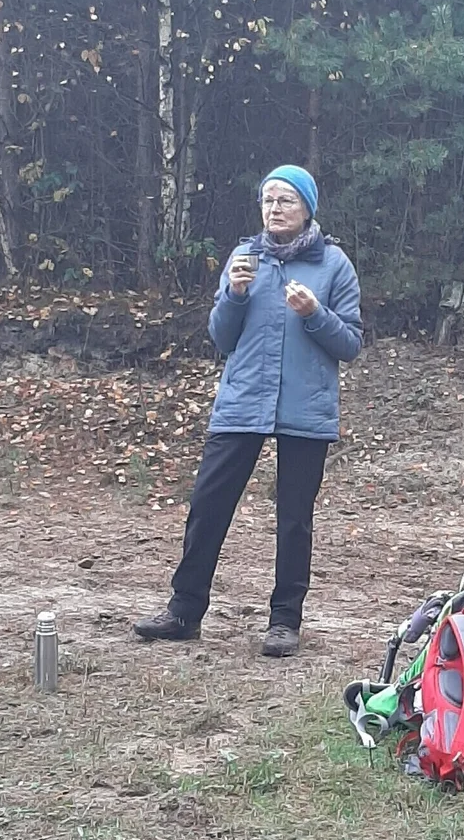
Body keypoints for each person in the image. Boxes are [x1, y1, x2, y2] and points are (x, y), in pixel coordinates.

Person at [133, 164, 362, 657]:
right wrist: (235, 296)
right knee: (208, 506)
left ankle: (284, 622)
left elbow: (350, 344)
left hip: (306, 409)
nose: (275, 209)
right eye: (268, 200)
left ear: (307, 209)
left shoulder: (334, 264)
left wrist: (314, 313)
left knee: (294, 519)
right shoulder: (244, 258)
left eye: (286, 200)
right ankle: (183, 611)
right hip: (241, 404)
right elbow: (222, 338)